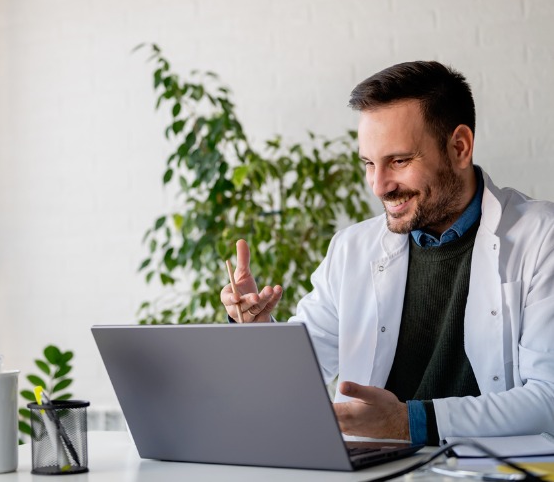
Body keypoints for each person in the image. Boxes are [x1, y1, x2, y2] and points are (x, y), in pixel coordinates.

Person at [220, 61, 554, 445]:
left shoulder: (541, 236)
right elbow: (298, 377)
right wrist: (256, 330)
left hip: (483, 469)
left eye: (399, 161)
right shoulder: (352, 249)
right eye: (368, 164)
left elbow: (548, 399)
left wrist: (409, 422)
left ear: (459, 148)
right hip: (371, 468)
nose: (379, 186)